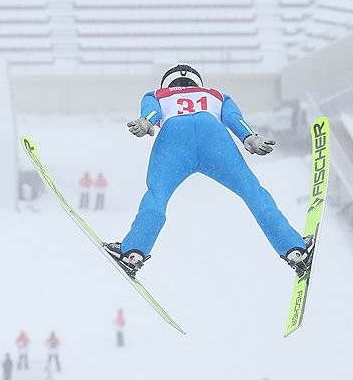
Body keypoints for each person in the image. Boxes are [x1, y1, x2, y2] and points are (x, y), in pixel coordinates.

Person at [105, 64, 312, 279]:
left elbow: (151, 111)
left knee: (157, 195)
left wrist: (146, 121)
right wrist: (250, 137)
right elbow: (233, 117)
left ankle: (133, 252)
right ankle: (293, 249)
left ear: (167, 84)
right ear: (198, 83)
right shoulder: (216, 95)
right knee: (253, 192)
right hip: (214, 137)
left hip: (174, 138)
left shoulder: (157, 94)